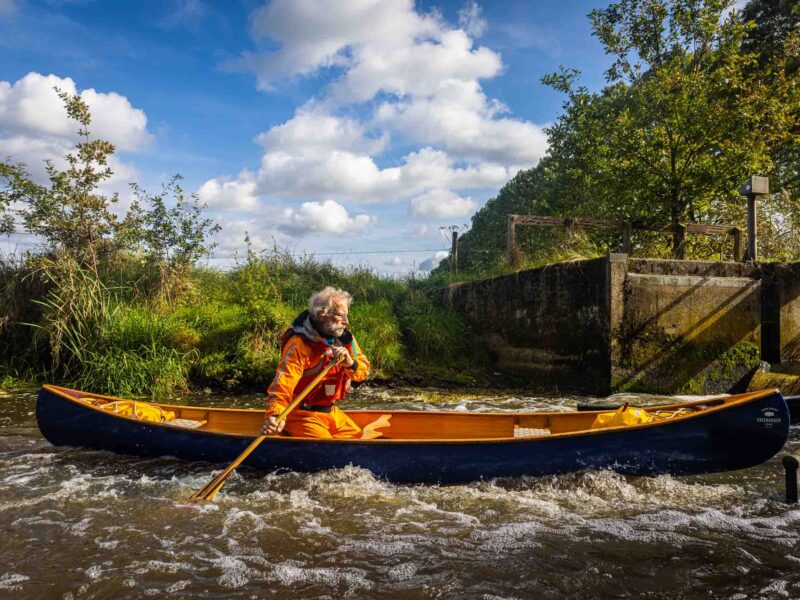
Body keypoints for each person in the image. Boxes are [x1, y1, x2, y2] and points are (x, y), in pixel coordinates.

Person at [260, 286, 371, 439]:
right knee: (330, 449)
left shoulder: (344, 338)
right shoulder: (299, 343)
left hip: (330, 413)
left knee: (361, 441)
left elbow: (363, 373)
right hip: (300, 414)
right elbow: (283, 382)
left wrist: (350, 363)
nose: (347, 321)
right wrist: (274, 414)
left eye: (347, 315)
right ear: (321, 314)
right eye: (341, 315)